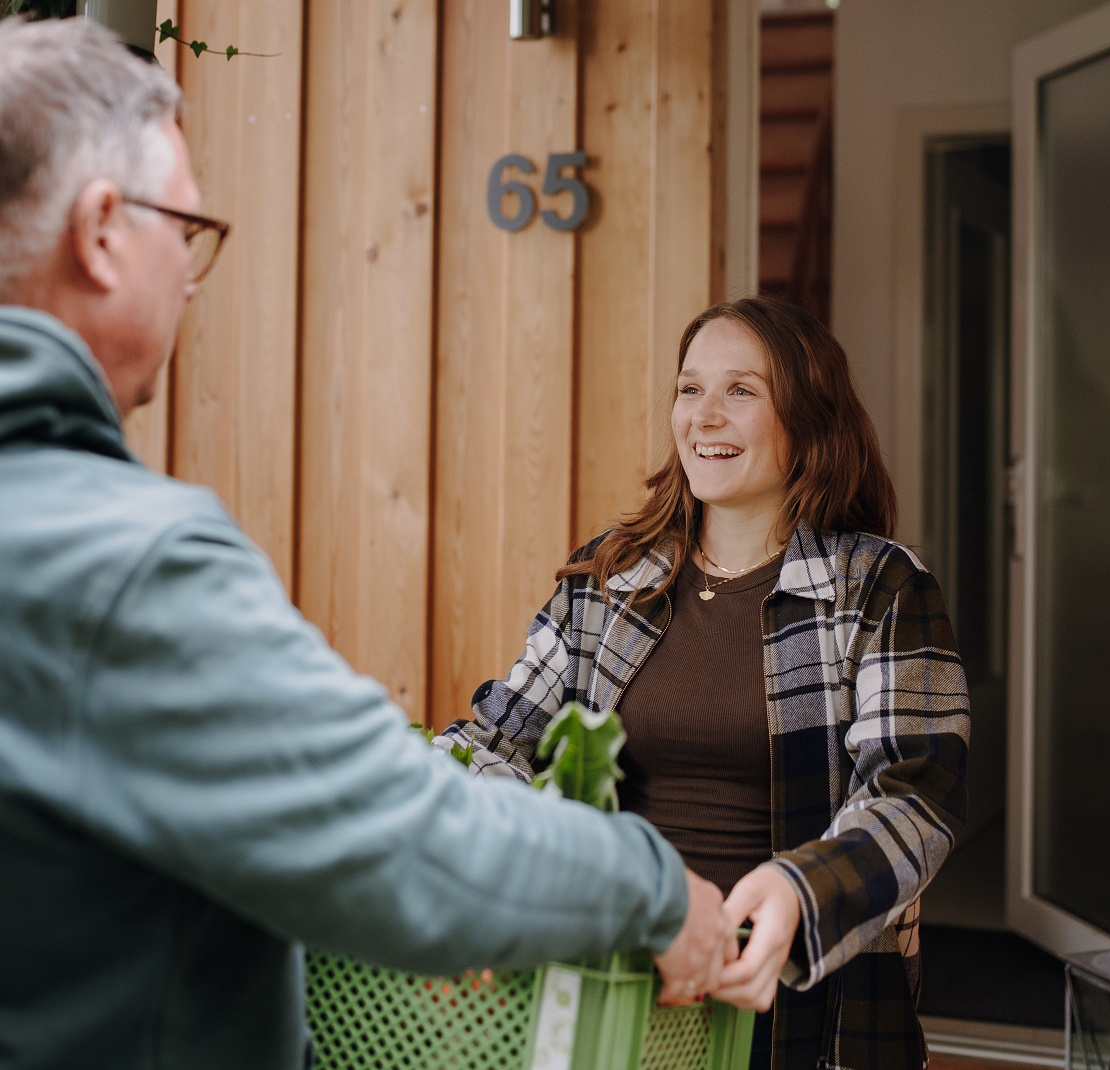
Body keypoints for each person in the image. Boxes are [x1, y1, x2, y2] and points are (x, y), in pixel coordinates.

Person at [0, 16, 737, 1070]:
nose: (192, 276)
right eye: (186, 230)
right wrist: (655, 888)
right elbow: (410, 842)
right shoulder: (128, 564)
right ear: (104, 230)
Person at [438, 293, 972, 1070]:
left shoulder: (881, 585)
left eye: (741, 391)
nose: (704, 415)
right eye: (690, 389)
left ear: (808, 418)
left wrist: (799, 890)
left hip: (802, 1006)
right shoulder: (609, 577)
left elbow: (915, 794)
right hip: (615, 989)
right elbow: (494, 740)